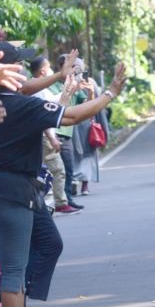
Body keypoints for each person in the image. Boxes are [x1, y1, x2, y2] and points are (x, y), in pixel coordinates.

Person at [0, 40, 128, 307]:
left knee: (35, 249)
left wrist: (58, 77)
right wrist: (110, 93)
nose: (25, 73)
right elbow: (76, 115)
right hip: (15, 195)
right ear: (9, 71)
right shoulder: (24, 106)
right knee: (13, 272)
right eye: (20, 67)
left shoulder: (7, 103)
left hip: (6, 190)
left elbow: (28, 88)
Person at [29, 56, 79, 214]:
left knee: (49, 170)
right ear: (43, 70)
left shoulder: (37, 88)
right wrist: (51, 137)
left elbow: (52, 105)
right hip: (45, 135)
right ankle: (59, 203)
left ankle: (54, 203)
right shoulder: (35, 89)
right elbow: (47, 113)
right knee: (57, 170)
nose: (51, 70)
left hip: (45, 134)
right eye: (49, 67)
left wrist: (67, 90)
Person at [51, 55, 91, 211]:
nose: (75, 69)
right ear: (62, 66)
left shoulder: (76, 83)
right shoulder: (52, 84)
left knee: (68, 168)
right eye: (72, 66)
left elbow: (85, 105)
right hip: (54, 131)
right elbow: (54, 103)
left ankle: (67, 199)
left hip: (68, 132)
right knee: (57, 170)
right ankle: (60, 201)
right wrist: (71, 88)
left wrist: (91, 92)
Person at [72, 77, 109, 196]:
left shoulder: (66, 81)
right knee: (87, 155)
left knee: (77, 154)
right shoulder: (89, 82)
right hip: (84, 123)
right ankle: (84, 185)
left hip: (72, 123)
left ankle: (76, 181)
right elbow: (96, 105)